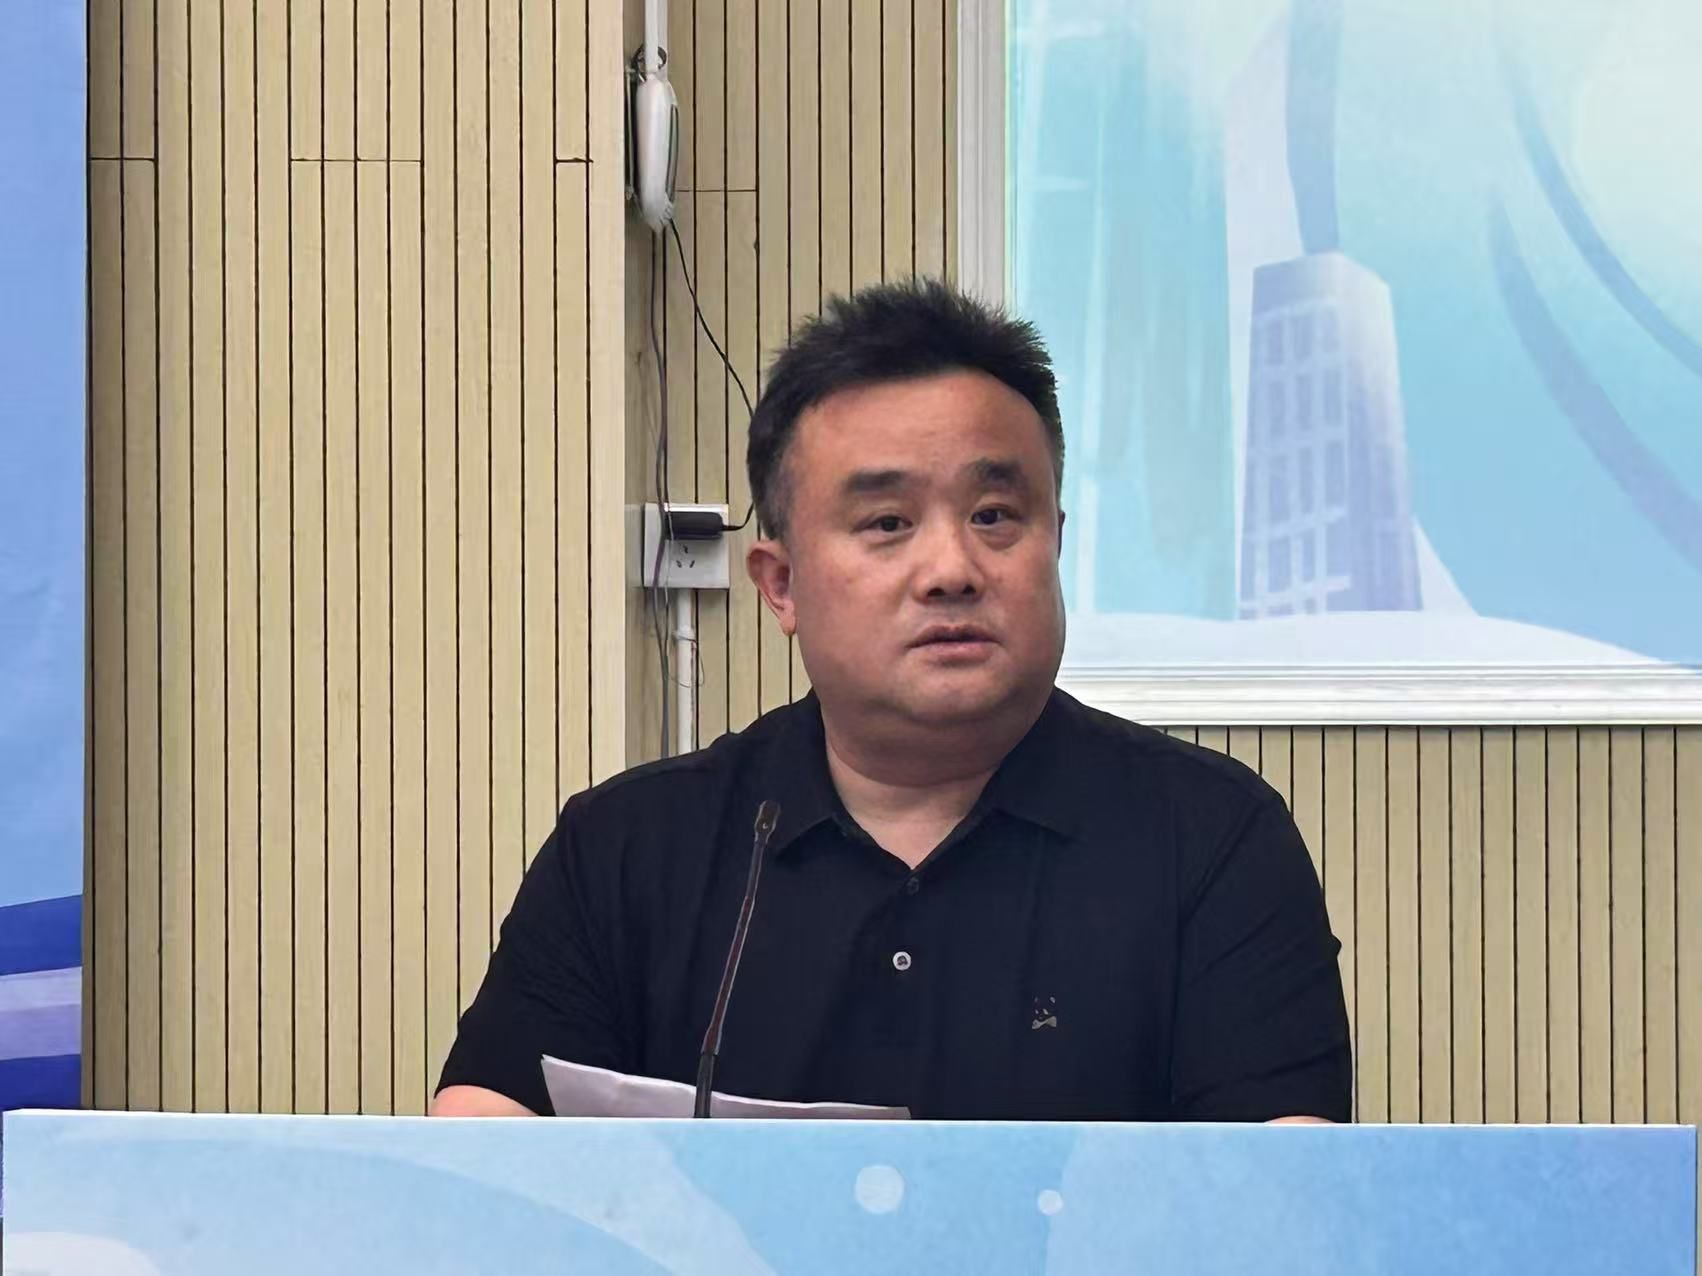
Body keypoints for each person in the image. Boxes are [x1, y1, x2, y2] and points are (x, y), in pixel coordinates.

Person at [432, 278, 1351, 1122]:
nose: (951, 568)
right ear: (781, 585)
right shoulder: (627, 848)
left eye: (995, 516)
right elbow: (483, 1149)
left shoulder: (1211, 840)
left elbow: (1283, 1194)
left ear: (1056, 542)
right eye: (887, 523)